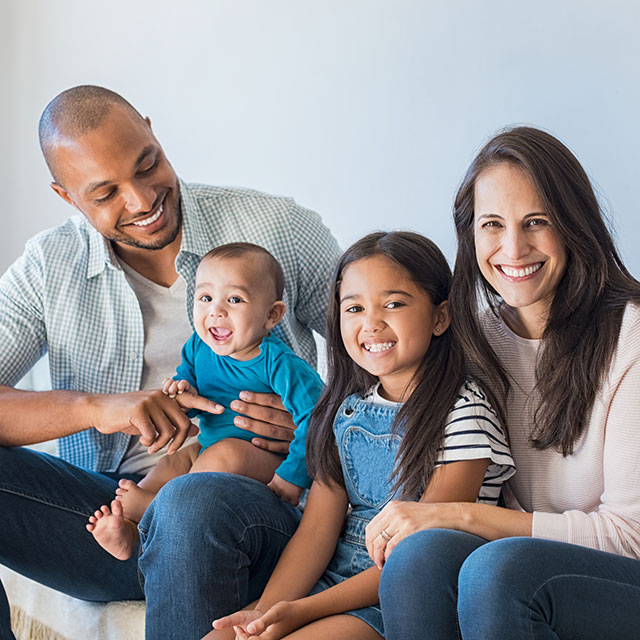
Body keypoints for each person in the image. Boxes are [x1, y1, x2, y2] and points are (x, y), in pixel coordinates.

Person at [0, 85, 341, 640]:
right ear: (66, 197)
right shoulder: (48, 266)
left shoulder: (275, 229)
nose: (141, 200)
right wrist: (96, 408)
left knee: (190, 499)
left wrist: (317, 427)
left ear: (153, 132)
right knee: (175, 496)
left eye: (147, 164)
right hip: (115, 516)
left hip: (254, 508)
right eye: (106, 192)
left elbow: (384, 354)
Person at [369, 126, 640, 639]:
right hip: (516, 566)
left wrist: (466, 517)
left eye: (536, 222)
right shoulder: (473, 338)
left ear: (574, 225)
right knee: (419, 556)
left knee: (499, 570)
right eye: (492, 224)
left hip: (622, 579)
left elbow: (629, 538)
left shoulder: (632, 335)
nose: (513, 248)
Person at [210, 231, 514, 640]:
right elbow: (316, 531)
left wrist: (301, 612)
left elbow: (418, 552)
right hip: (332, 582)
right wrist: (265, 612)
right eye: (354, 307)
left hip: (402, 597)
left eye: (393, 303)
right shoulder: (345, 409)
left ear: (440, 317)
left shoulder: (463, 412)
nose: (371, 322)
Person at [88, 242, 324, 560]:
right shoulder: (198, 347)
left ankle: (156, 509)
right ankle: (132, 529)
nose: (216, 311)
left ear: (272, 315)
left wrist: (293, 477)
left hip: (263, 461)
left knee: (224, 454)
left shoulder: (279, 364)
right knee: (176, 461)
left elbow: (318, 417)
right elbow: (188, 388)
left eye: (235, 299)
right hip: (208, 451)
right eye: (206, 298)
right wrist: (180, 393)